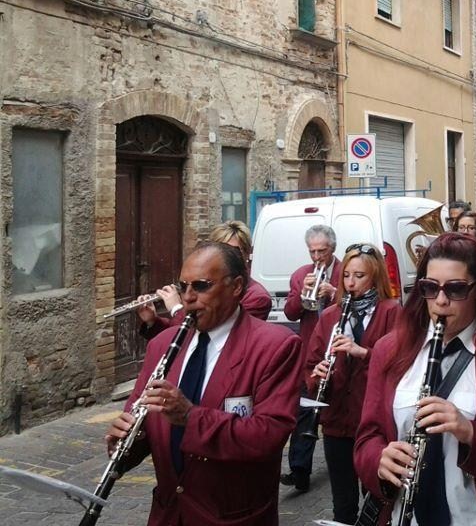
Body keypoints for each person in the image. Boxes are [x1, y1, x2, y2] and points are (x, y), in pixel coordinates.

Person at [354, 233, 476, 525]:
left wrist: (471, 432)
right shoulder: (389, 351)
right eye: (430, 288)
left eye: (456, 289)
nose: (441, 301)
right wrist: (378, 460)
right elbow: (367, 437)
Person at [105, 242, 301, 526]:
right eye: (182, 286)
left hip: (233, 517)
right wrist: (124, 443)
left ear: (236, 287)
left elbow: (267, 437)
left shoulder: (275, 346)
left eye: (201, 286)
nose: (187, 298)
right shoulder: (162, 345)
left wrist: (190, 416)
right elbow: (144, 424)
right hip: (169, 514)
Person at [303, 244, 400, 523]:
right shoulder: (331, 316)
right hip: (337, 423)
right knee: (343, 505)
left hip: (375, 423)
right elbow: (310, 365)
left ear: (375, 277)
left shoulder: (392, 313)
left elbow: (401, 367)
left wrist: (365, 353)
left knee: (377, 501)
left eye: (360, 276)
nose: (351, 283)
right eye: (346, 275)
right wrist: (317, 375)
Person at [137, 220, 272, 340]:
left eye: (233, 251)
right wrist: (153, 321)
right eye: (218, 250)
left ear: (247, 254)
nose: (224, 257)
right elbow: (178, 336)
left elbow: (213, 336)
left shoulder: (257, 297)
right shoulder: (203, 286)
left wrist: (176, 308)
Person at [282, 224, 341, 491]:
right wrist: (301, 293)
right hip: (312, 353)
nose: (317, 257)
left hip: (339, 350)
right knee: (304, 410)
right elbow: (291, 313)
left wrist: (334, 294)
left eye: (323, 251)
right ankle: (299, 471)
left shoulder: (346, 271)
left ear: (333, 249)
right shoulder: (300, 275)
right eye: (312, 251)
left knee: (339, 410)